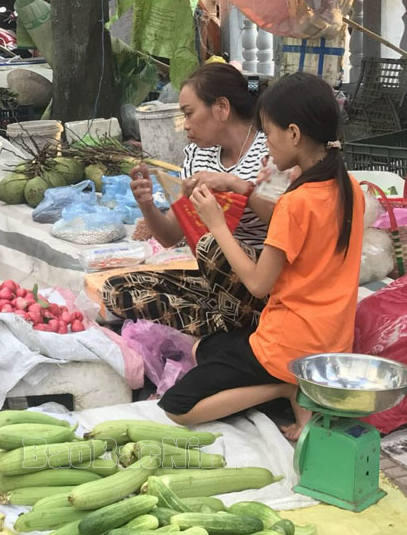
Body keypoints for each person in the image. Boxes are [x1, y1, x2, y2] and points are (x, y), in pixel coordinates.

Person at [159, 72, 363, 437]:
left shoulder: (295, 203)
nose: (266, 147)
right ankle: (293, 389)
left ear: (295, 135)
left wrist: (217, 224)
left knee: (179, 407)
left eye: (269, 134)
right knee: (202, 350)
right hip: (331, 341)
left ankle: (287, 389)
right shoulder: (348, 188)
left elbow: (257, 284)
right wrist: (242, 189)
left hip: (288, 346)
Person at [101, 63, 276, 335]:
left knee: (211, 246)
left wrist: (239, 187)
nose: (186, 125)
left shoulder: (269, 152)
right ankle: (221, 325)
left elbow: (287, 221)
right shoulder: (197, 155)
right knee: (117, 289)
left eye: (189, 113)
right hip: (214, 283)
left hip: (260, 284)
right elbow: (171, 236)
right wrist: (146, 204)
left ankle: (235, 324)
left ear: (221, 108)